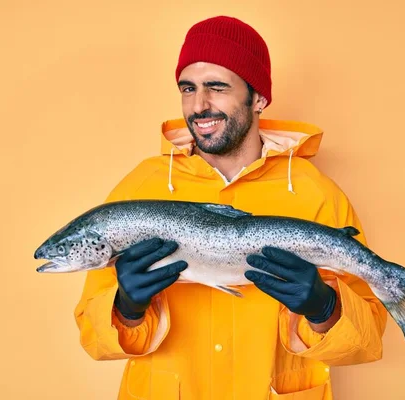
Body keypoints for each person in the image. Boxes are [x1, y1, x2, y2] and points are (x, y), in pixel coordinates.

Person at [74, 15, 388, 400]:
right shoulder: (141, 188)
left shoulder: (315, 193)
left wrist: (326, 310)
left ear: (258, 98)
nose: (199, 105)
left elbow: (367, 341)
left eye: (216, 87)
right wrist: (126, 307)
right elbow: (93, 338)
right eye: (188, 88)